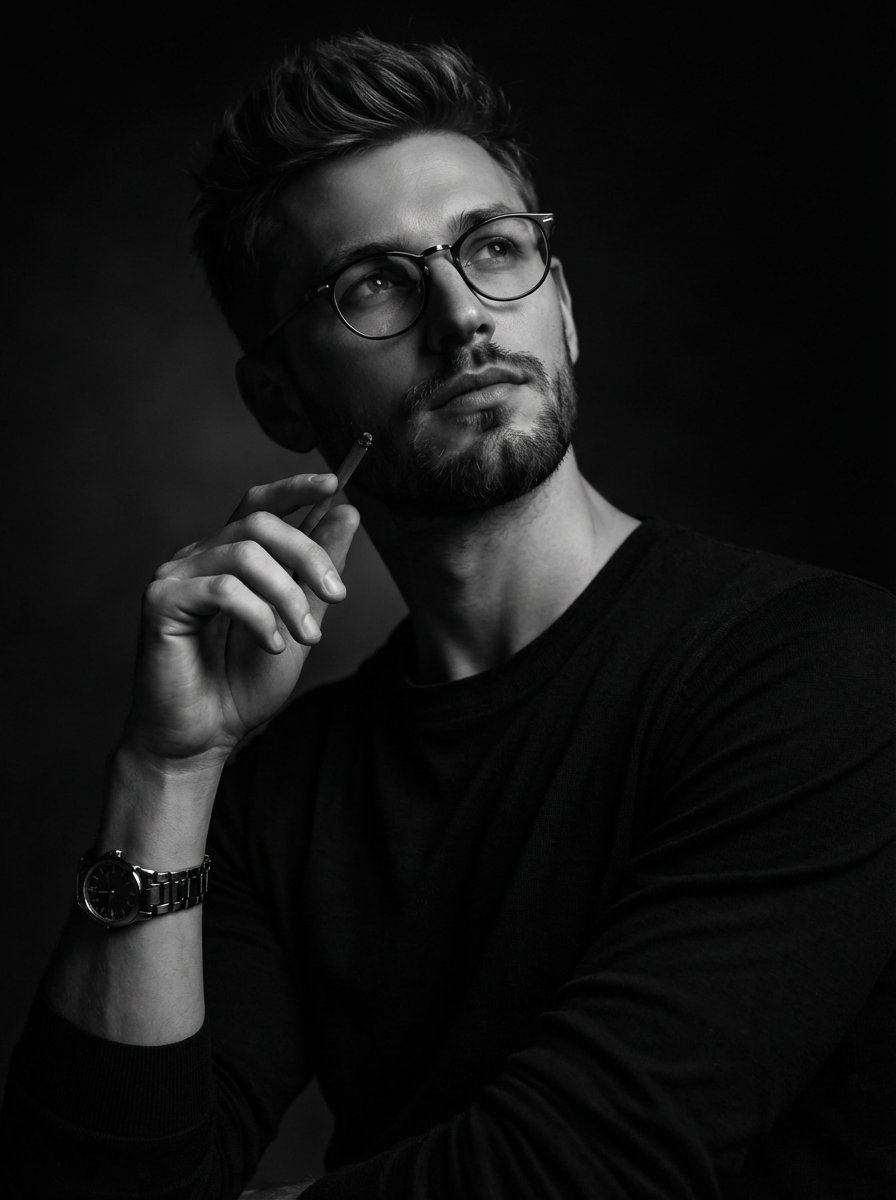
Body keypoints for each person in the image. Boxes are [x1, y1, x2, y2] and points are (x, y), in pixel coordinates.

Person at [1, 29, 894, 1200]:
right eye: (373, 282)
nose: (463, 315)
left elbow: (586, 1170)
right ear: (279, 397)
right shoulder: (284, 792)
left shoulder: (821, 670)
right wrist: (166, 768)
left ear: (560, 306)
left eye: (493, 246)